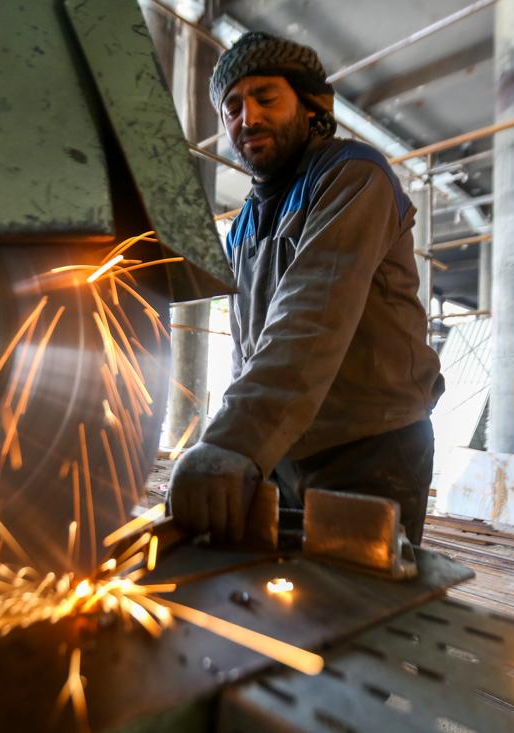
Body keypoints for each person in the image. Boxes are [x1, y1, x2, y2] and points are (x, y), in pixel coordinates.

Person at [167, 31, 443, 546]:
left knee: (355, 606)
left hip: (369, 449)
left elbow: (311, 314)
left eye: (266, 98)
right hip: (282, 449)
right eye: (232, 107)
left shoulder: (352, 175)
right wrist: (239, 443)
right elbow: (249, 349)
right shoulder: (246, 221)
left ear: (310, 103)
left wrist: (235, 441)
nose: (246, 118)